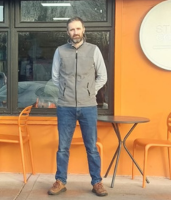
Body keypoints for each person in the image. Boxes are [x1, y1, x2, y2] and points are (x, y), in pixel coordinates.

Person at [48, 17, 108, 197]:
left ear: (84, 30)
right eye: (72, 29)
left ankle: (97, 182)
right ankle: (60, 181)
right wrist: (65, 92)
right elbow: (55, 77)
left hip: (88, 106)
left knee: (91, 147)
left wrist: (90, 92)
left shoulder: (93, 50)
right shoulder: (60, 51)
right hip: (65, 106)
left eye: (78, 29)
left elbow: (102, 76)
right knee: (63, 147)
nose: (75, 32)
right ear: (68, 32)